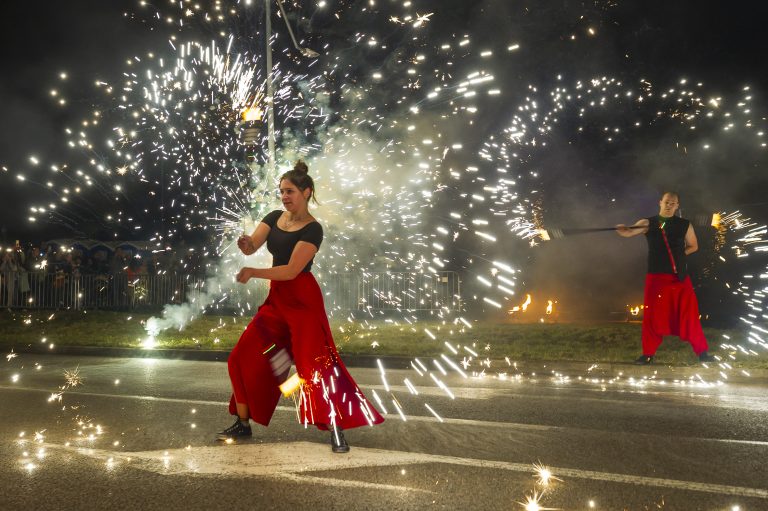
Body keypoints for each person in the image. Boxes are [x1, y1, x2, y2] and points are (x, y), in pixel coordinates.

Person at [218, 160, 384, 452]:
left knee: (314, 367)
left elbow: (292, 270)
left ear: (306, 192)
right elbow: (252, 247)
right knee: (239, 358)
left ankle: (335, 427)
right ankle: (243, 424)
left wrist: (254, 272)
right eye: (281, 191)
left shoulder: (313, 229)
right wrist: (244, 244)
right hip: (278, 300)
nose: (284, 197)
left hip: (303, 300)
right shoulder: (273, 217)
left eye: (290, 191)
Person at [616, 191, 715, 364]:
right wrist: (623, 229)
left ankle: (702, 353)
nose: (669, 205)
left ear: (677, 206)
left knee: (689, 314)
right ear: (660, 202)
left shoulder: (684, 224)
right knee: (652, 316)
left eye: (673, 203)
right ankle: (648, 354)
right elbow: (629, 232)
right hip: (656, 277)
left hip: (679, 278)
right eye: (667, 202)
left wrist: (679, 256)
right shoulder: (648, 223)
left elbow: (694, 246)